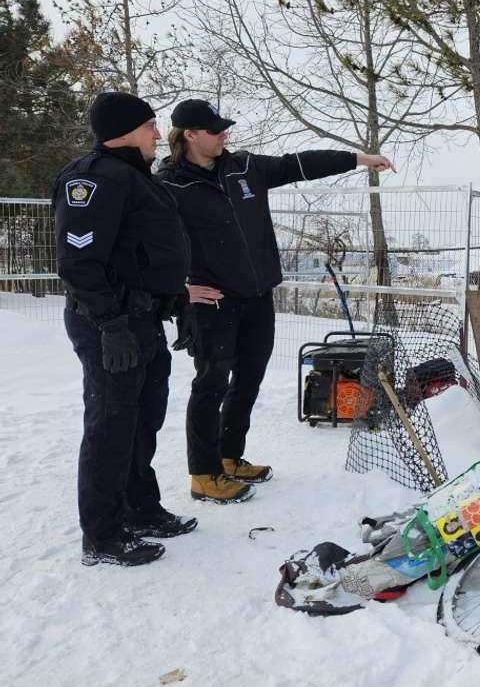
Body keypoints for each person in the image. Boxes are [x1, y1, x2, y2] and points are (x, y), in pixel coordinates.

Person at [158, 99, 395, 504]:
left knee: (248, 379)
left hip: (257, 296)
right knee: (211, 384)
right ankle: (203, 473)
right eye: (215, 131)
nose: (224, 135)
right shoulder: (168, 186)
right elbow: (153, 246)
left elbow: (300, 163)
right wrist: (179, 292)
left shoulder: (244, 168)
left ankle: (229, 456)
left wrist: (359, 158)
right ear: (190, 135)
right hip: (213, 303)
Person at [54, 91, 198, 567]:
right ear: (125, 130)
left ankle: (140, 508)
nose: (158, 134)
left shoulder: (136, 179)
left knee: (143, 418)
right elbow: (79, 262)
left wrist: (175, 302)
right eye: (150, 126)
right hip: (108, 323)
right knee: (111, 425)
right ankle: (103, 534)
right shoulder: (91, 180)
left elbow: (143, 254)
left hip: (144, 317)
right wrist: (111, 322)